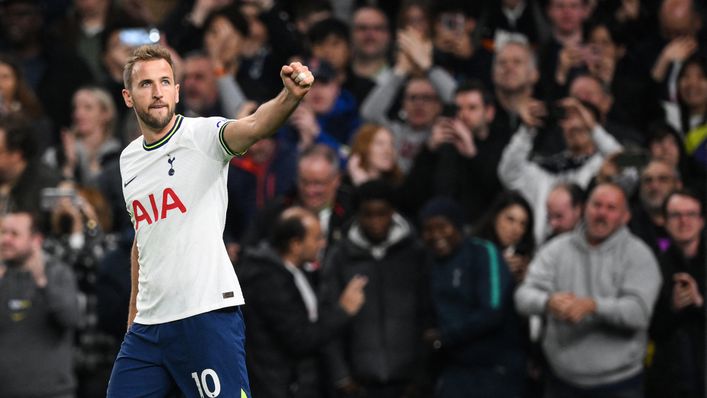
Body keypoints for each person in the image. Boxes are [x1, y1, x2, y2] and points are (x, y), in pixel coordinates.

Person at [106, 44, 315, 397]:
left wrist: (289, 97)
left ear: (177, 90)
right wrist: (133, 324)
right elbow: (143, 242)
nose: (157, 92)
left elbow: (254, 125)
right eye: (146, 85)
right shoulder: (128, 161)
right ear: (128, 96)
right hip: (148, 328)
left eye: (165, 82)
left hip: (204, 314)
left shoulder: (202, 137)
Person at [515, 183, 662, 398]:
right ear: (585, 208)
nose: (602, 213)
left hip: (620, 384)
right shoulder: (556, 249)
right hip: (560, 381)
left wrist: (594, 306)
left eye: (611, 208)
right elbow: (522, 297)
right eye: (597, 205)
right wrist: (547, 302)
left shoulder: (639, 255)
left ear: (625, 216)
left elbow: (639, 313)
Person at [238, 207, 367, 398]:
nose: (323, 244)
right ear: (296, 244)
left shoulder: (296, 271)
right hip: (277, 387)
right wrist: (343, 311)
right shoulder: (267, 280)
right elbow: (300, 339)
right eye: (317, 238)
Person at [321, 179, 432, 397]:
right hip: (359, 384)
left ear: (393, 212)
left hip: (409, 384)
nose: (375, 221)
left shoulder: (415, 253)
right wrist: (341, 377)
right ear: (358, 214)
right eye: (368, 214)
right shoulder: (340, 256)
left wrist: (422, 378)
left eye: (382, 213)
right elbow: (328, 319)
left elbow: (428, 316)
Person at [420, 197, 527, 398]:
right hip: (455, 368)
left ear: (458, 226)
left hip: (496, 367)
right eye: (428, 229)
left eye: (443, 227)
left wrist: (444, 337)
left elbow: (492, 311)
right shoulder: (430, 263)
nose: (436, 235)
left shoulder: (483, 252)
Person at [0, 211, 81, 398]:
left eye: (14, 234)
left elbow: (71, 319)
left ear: (36, 240)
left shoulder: (58, 273)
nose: (6, 239)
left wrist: (42, 282)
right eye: (3, 232)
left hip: (52, 392)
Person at [648, 189, 705, 398]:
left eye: (690, 214)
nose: (684, 221)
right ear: (664, 221)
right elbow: (650, 328)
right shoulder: (652, 265)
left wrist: (699, 302)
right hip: (670, 378)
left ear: (701, 220)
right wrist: (672, 308)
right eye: (675, 215)